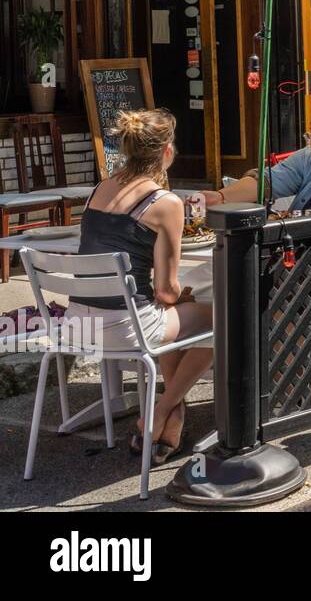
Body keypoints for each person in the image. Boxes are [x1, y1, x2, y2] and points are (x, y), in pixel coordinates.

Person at [69, 109, 213, 463]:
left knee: (165, 311)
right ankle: (161, 410)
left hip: (77, 325)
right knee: (223, 318)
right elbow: (166, 292)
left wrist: (174, 299)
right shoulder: (165, 203)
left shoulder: (99, 189)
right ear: (166, 151)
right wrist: (182, 296)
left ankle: (173, 413)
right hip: (126, 327)